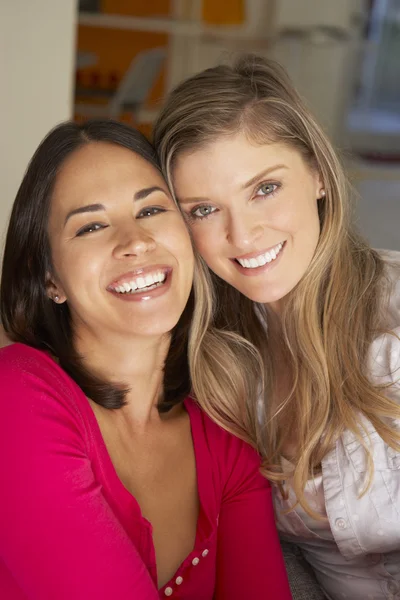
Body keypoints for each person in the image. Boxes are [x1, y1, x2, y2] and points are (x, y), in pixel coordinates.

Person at [0, 120, 292, 600]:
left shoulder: (225, 433)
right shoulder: (17, 397)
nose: (134, 241)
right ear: (48, 278)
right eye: (91, 225)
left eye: (152, 209)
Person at [153, 54, 400, 600]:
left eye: (264, 188)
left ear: (316, 172)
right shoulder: (211, 356)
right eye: (202, 210)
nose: (242, 236)